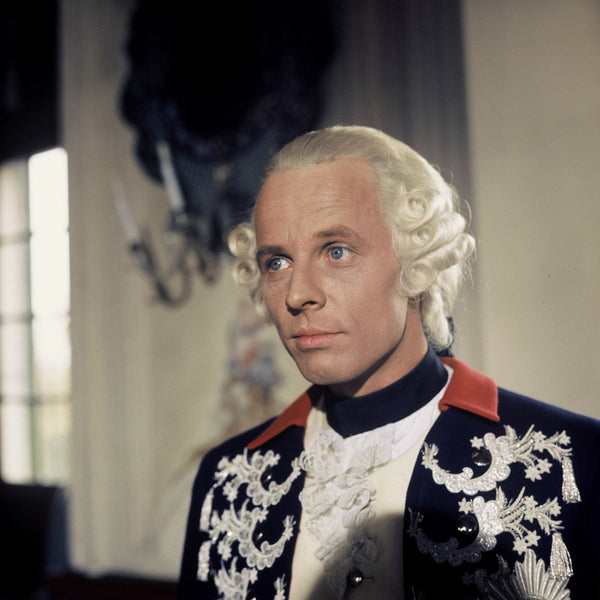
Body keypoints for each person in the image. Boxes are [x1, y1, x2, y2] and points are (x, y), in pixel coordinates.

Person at [177, 125, 600, 599]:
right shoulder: (227, 478)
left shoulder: (576, 460)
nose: (297, 294)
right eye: (277, 262)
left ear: (416, 260)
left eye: (336, 251)